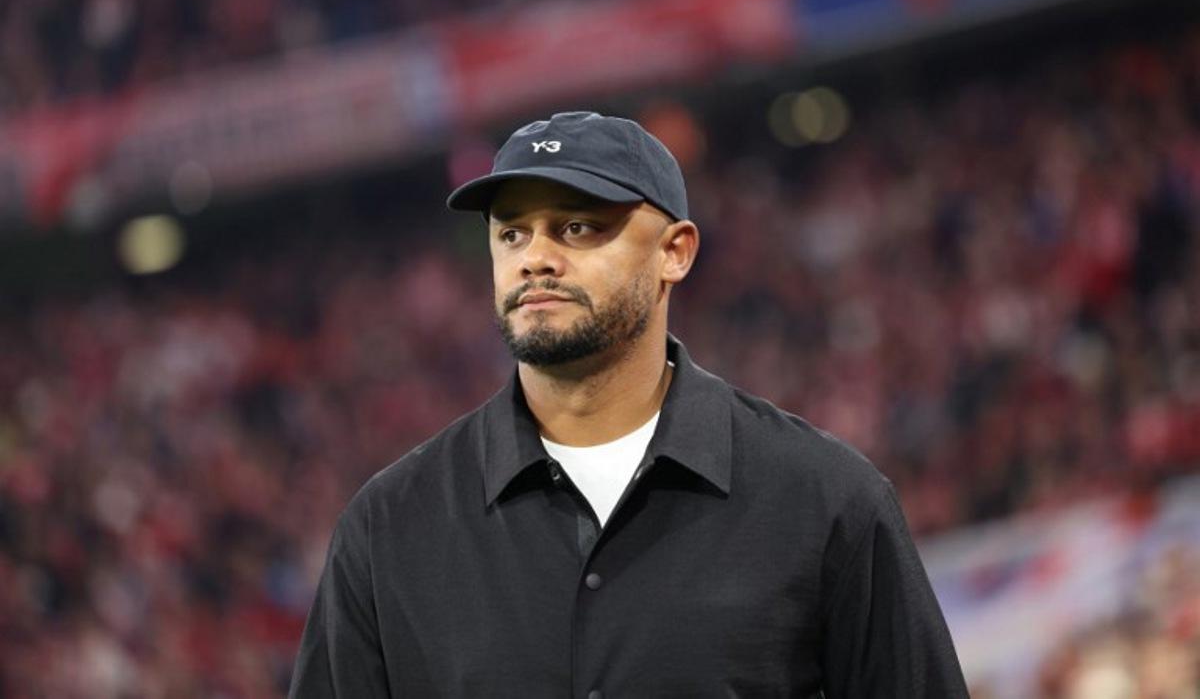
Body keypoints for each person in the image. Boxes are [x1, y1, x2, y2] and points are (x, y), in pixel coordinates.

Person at [289, 111, 968, 697]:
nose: (536, 259)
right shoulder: (388, 530)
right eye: (512, 233)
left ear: (675, 252)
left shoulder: (825, 499)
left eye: (579, 227)